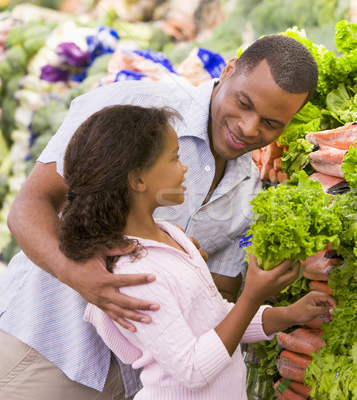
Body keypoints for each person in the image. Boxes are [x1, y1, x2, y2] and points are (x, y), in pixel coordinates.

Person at [0, 34, 320, 399]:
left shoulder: (250, 184)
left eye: (271, 123)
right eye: (243, 103)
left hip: (141, 377)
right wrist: (79, 276)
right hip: (51, 345)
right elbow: (31, 203)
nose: (248, 127)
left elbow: (214, 298)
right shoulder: (133, 108)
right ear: (229, 70)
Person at [59, 104, 334, 399]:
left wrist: (289, 314)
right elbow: (193, 370)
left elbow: (215, 319)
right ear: (137, 179)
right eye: (175, 157)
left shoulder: (171, 234)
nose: (184, 166)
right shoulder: (133, 274)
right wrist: (252, 294)